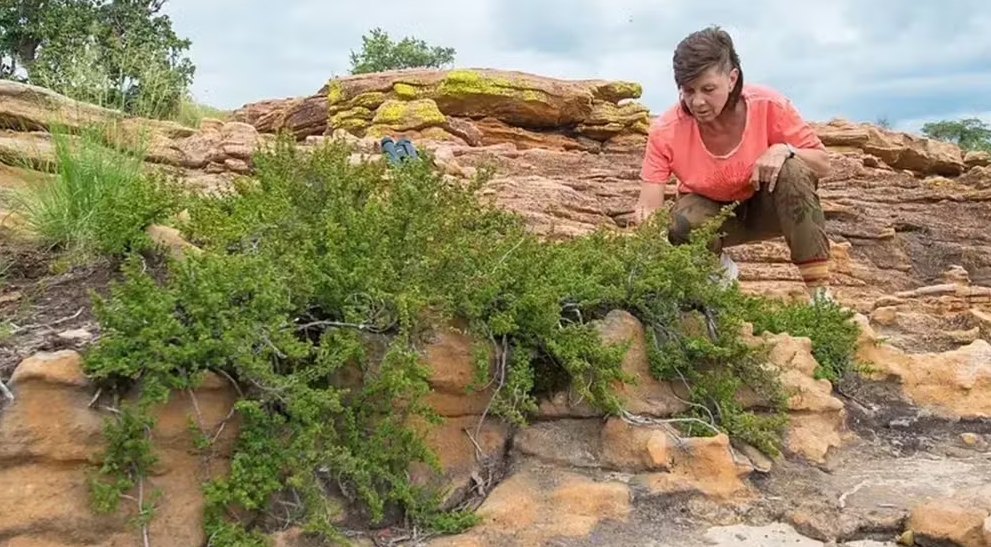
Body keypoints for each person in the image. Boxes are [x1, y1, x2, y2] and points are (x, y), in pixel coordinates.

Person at [636, 25, 834, 302]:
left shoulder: (769, 105)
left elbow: (823, 164)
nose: (698, 101)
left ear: (732, 78)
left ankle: (821, 299)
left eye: (708, 89)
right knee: (680, 219)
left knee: (793, 167)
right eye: (688, 90)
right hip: (715, 218)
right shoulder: (667, 129)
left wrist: (784, 149)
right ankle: (717, 275)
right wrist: (650, 252)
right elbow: (649, 208)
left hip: (772, 207)